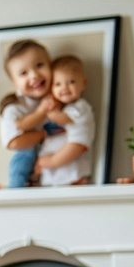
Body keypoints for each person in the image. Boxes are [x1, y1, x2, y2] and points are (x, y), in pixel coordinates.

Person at [0, 39, 59, 189]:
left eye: (40, 65)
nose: (34, 75)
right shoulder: (14, 108)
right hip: (27, 165)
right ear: (14, 83)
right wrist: (42, 129)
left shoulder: (60, 97)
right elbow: (13, 142)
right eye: (23, 73)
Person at [34, 56, 96, 186]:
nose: (65, 88)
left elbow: (63, 119)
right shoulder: (66, 107)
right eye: (58, 84)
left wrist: (48, 110)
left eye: (71, 82)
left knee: (57, 161)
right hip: (72, 143)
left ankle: (75, 179)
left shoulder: (81, 106)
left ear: (84, 83)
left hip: (77, 142)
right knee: (60, 163)